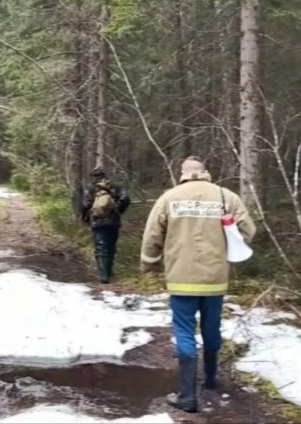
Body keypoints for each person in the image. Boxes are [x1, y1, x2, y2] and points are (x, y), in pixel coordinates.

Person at [140, 157, 255, 413]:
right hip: (215, 278)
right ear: (205, 172)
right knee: (211, 327)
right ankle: (211, 380)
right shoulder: (227, 197)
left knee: (184, 330)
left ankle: (188, 397)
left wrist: (149, 265)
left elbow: (152, 236)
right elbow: (248, 231)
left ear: (182, 174)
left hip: (181, 278)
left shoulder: (170, 198)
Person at [81, 167, 131, 284]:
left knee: (100, 247)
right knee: (111, 246)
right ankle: (108, 272)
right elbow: (126, 199)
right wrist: (118, 210)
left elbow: (85, 204)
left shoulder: (92, 188)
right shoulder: (115, 186)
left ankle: (103, 275)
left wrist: (85, 217)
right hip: (114, 222)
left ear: (93, 176)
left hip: (97, 221)